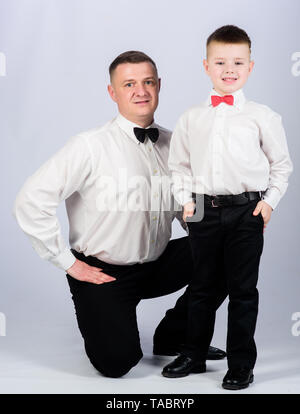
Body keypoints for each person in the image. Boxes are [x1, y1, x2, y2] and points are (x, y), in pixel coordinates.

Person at [13, 51, 227, 378]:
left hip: (156, 263)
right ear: (113, 93)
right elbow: (30, 199)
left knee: (228, 246)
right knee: (117, 363)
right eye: (129, 84)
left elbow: (187, 211)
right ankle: (113, 322)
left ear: (159, 86)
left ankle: (176, 335)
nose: (140, 91)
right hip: (104, 272)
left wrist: (226, 223)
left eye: (147, 82)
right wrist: (68, 263)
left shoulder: (175, 144)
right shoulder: (89, 146)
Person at [164, 26, 293, 389]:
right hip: (203, 210)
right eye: (220, 62)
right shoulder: (191, 117)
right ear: (206, 66)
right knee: (202, 285)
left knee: (242, 290)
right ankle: (193, 353)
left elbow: (281, 165)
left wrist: (269, 204)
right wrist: (186, 203)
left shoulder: (263, 116)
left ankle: (240, 363)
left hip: (246, 212)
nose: (229, 69)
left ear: (250, 67)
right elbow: (179, 167)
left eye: (237, 62)